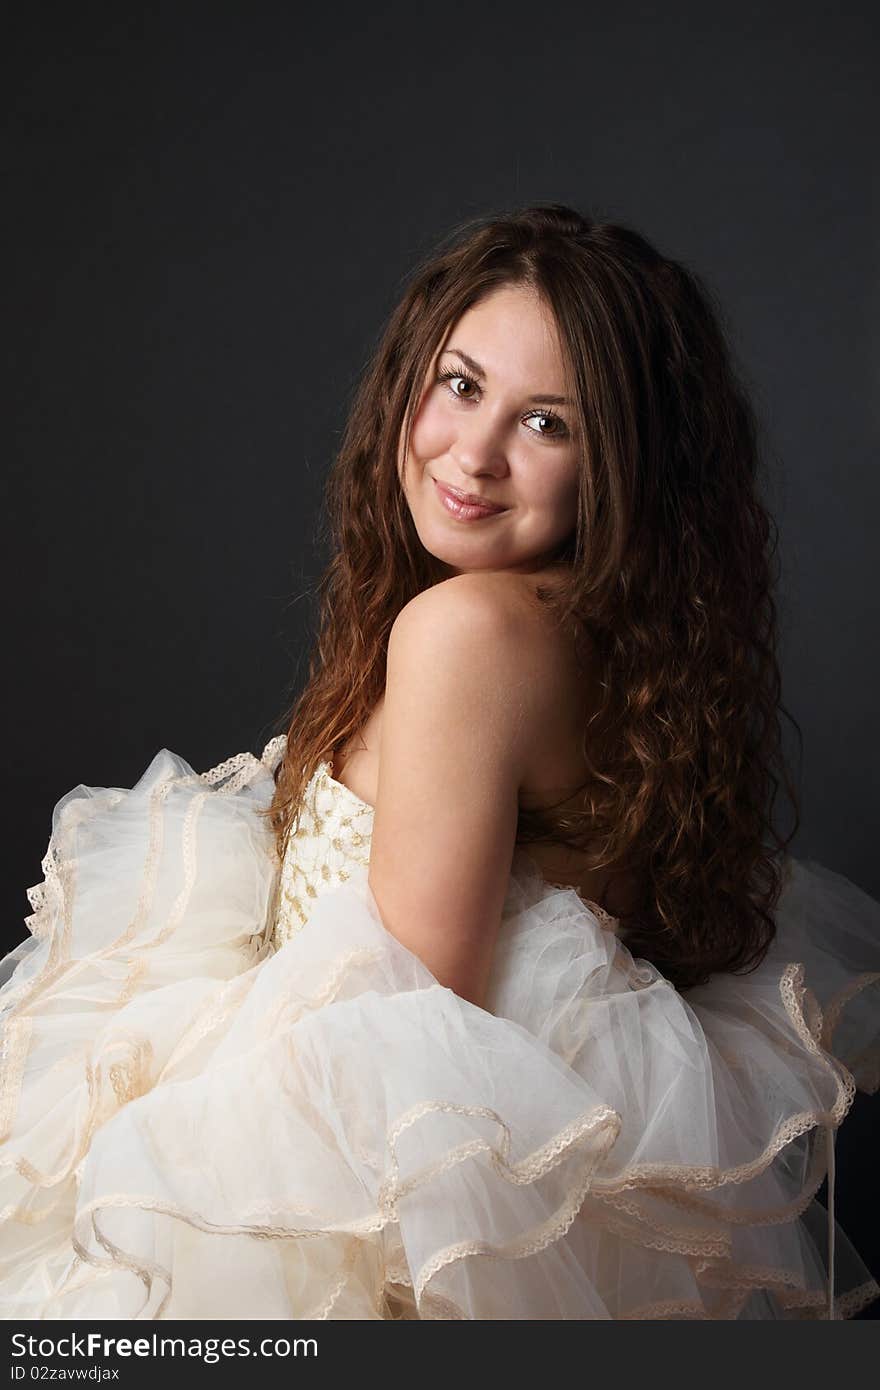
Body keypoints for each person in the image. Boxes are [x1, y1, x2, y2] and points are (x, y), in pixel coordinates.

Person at [1, 204, 878, 1321]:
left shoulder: (467, 631)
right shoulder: (605, 633)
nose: (473, 453)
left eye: (547, 423)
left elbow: (406, 1013)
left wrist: (171, 1128)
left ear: (623, 467)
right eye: (461, 385)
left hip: (379, 1183)